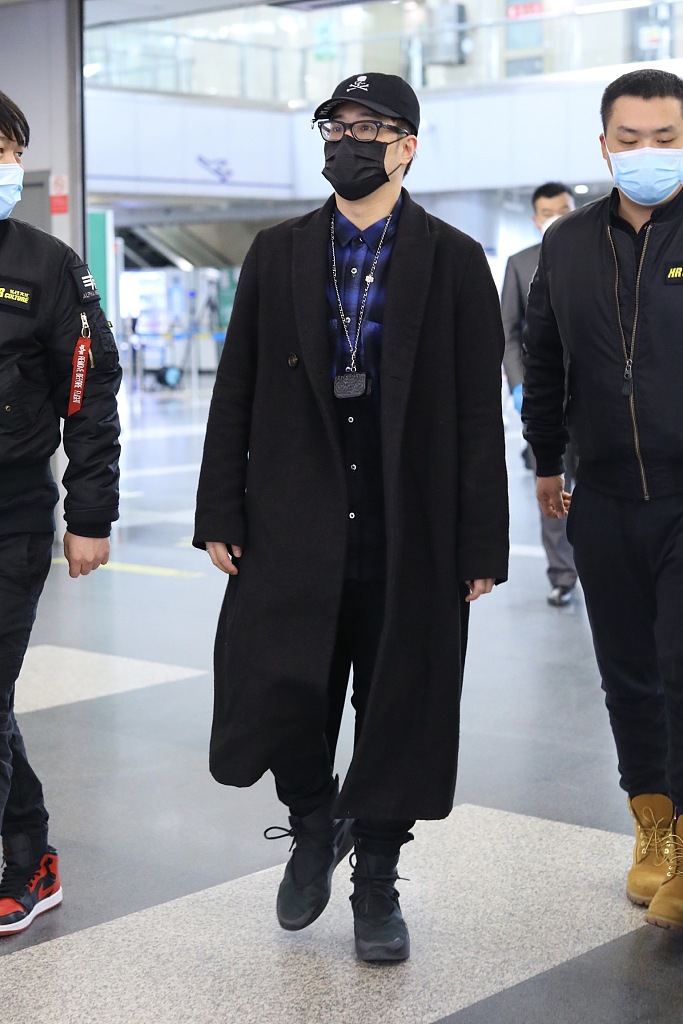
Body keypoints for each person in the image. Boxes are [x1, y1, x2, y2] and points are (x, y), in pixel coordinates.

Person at [194, 72, 509, 962]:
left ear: (407, 147)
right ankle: (310, 820)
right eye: (335, 125)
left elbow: (476, 412)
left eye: (369, 128)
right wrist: (219, 507)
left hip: (413, 523)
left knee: (400, 701)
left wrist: (480, 541)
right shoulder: (278, 252)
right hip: (292, 514)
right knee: (281, 682)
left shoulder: (454, 260)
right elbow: (236, 386)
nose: (348, 141)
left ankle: (376, 878)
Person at [523, 67, 683, 931]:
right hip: (605, 493)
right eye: (630, 139)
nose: (646, 152)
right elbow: (543, 356)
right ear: (603, 145)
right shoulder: (568, 242)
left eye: (665, 138)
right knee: (625, 673)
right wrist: (545, 459)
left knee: (679, 668)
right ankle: (651, 828)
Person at [0, 91, 121, 935]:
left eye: (6, 151)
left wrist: (91, 515)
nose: (2, 166)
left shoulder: (47, 266)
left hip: (9, 512)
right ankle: (31, 850)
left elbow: (91, 392)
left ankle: (18, 861)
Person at [501, 182, 578, 607]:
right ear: (535, 219)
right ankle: (563, 574)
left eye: (564, 208)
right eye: (548, 212)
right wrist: (518, 384)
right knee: (551, 484)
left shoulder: (593, 254)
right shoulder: (520, 264)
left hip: (590, 394)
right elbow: (508, 332)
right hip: (543, 396)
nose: (556, 217)